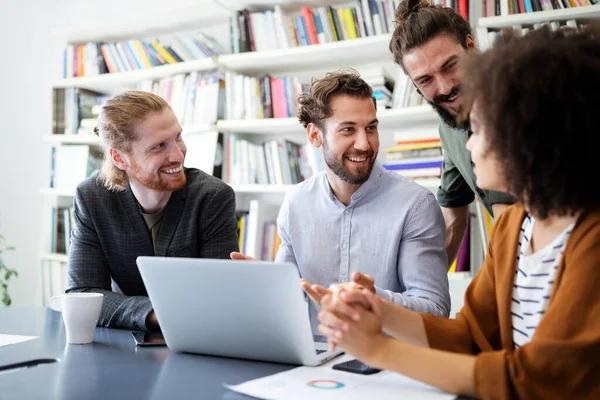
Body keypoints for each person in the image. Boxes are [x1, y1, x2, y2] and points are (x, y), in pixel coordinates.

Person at [315, 27, 600, 399]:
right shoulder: (514, 226)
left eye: (480, 129)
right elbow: (471, 334)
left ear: (530, 138)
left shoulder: (591, 237)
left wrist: (379, 350)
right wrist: (379, 311)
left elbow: (536, 380)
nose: (469, 145)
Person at [233, 69, 450, 330]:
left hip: (386, 363)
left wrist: (373, 299)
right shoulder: (295, 203)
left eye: (371, 128)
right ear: (315, 136)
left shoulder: (415, 205)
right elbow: (291, 300)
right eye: (348, 130)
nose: (364, 144)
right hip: (313, 360)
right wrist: (265, 284)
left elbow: (436, 311)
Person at [66, 91, 239, 332]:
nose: (178, 154)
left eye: (178, 137)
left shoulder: (212, 197)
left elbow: (217, 295)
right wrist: (156, 313)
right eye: (159, 146)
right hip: (122, 343)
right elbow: (82, 295)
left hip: (200, 337)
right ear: (119, 158)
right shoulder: (93, 198)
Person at [390, 0, 514, 266]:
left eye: (450, 66)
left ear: (471, 47)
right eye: (425, 80)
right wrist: (418, 290)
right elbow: (452, 221)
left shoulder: (526, 98)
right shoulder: (450, 129)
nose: (445, 87)